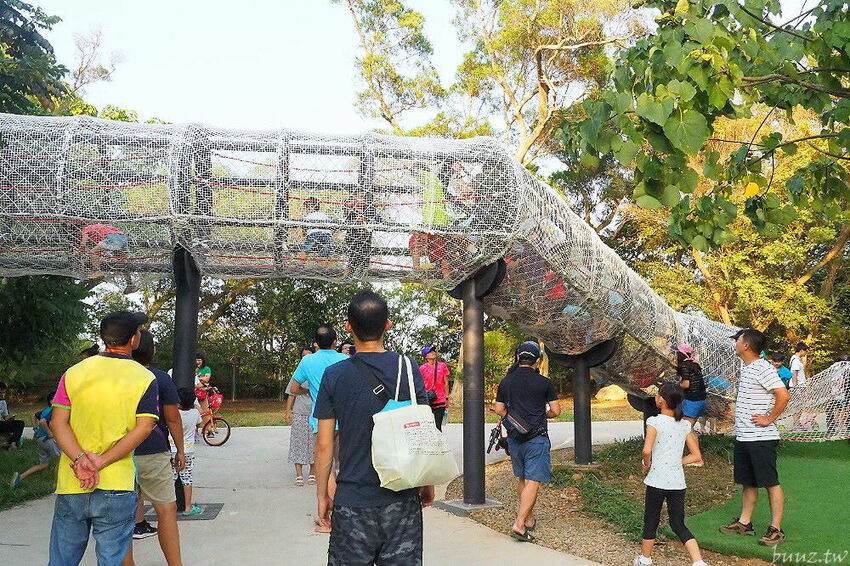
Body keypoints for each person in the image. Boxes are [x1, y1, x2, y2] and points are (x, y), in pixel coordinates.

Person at [313, 290, 433, 565]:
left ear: (348, 327)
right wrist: (427, 482)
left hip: (353, 500)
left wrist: (322, 495)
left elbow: (324, 444)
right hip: (402, 500)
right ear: (387, 325)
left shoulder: (334, 375)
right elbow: (425, 430)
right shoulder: (408, 366)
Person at [48, 311, 159, 566]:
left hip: (72, 481)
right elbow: (144, 428)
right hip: (116, 484)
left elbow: (57, 423)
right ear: (133, 339)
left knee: (61, 560)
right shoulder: (144, 378)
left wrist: (80, 459)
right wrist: (100, 462)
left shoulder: (74, 373)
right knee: (111, 560)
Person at [720, 328, 791, 547]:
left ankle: (776, 529)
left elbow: (783, 394)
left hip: (761, 437)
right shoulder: (748, 367)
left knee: (770, 483)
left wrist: (769, 418)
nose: (735, 344)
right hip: (745, 436)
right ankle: (744, 523)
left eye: (737, 340)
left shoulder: (762, 367)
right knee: (748, 482)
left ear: (746, 345)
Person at [123, 329, 185, 566]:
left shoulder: (116, 378)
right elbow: (172, 418)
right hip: (153, 450)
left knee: (123, 516)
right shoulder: (160, 378)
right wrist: (180, 449)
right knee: (166, 510)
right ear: (151, 350)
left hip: (118, 454)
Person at [493, 341, 560, 542]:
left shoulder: (506, 382)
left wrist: (513, 420)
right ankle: (519, 524)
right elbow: (556, 411)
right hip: (536, 438)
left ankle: (528, 518)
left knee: (522, 478)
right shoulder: (545, 383)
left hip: (515, 438)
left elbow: (499, 410)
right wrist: (542, 415)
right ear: (537, 361)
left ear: (518, 358)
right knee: (533, 480)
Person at [635, 383, 708, 566]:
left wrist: (647, 464)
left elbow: (646, 450)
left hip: (657, 480)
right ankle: (698, 562)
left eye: (658, 395)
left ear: (662, 400)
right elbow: (696, 456)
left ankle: (645, 559)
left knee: (651, 519)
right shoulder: (684, 425)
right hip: (677, 482)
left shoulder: (654, 422)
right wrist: (677, 462)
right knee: (678, 524)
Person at [288, 324, 348, 532]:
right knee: (342, 465)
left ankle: (328, 514)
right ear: (335, 342)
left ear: (315, 343)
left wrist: (312, 392)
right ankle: (345, 510)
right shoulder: (345, 359)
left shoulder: (308, 360)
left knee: (327, 466)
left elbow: (294, 388)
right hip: (346, 420)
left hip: (320, 420)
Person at [10, 393, 61, 487]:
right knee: (61, 461)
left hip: (41, 440)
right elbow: (42, 421)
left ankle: (20, 477)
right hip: (48, 440)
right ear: (51, 401)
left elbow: (35, 416)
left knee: (43, 464)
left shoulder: (45, 410)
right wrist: (49, 433)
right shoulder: (54, 410)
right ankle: (57, 483)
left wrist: (36, 429)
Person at [286, 346, 316, 486]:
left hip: (315, 413)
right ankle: (298, 474)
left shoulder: (317, 372)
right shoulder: (298, 374)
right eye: (303, 356)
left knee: (314, 444)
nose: (306, 358)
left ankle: (312, 473)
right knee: (298, 442)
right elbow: (292, 393)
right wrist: (288, 411)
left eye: (309, 355)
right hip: (299, 412)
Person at [172, 390, 203, 517]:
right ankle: (188, 507)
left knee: (170, 479)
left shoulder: (174, 413)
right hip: (188, 451)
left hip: (172, 449)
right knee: (187, 479)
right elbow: (200, 422)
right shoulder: (195, 413)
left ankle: (170, 507)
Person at [79, 223, 136, 293]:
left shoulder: (86, 229)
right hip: (123, 238)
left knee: (92, 252)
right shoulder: (98, 227)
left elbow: (83, 244)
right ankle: (130, 284)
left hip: (112, 237)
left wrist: (80, 251)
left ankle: (99, 272)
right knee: (122, 264)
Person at [342, 188, 381, 279]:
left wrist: (375, 219)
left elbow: (376, 218)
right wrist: (359, 218)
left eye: (364, 197)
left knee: (364, 256)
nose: (362, 199)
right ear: (354, 198)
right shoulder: (350, 209)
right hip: (352, 237)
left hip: (365, 238)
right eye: (360, 197)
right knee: (354, 257)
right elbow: (348, 217)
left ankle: (359, 273)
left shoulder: (369, 210)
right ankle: (347, 276)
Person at [418, 345, 450, 431]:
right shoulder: (422, 368)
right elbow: (419, 384)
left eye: (433, 351)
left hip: (440, 399)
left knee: (438, 426)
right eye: (430, 352)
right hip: (428, 398)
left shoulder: (442, 365)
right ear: (426, 356)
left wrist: (447, 397)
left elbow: (446, 383)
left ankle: (438, 444)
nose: (433, 352)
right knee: (427, 426)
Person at [675, 344, 707, 425]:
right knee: (689, 428)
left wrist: (676, 385)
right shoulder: (694, 364)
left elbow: (686, 384)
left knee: (687, 429)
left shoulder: (684, 366)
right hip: (701, 400)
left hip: (692, 401)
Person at [0, 381, 26, 450]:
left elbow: (5, 417)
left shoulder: (2, 402)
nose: (2, 394)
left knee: (20, 423)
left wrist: (10, 418)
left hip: (1, 423)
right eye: (0, 393)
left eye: (3, 393)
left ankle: (12, 443)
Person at [195, 354, 213, 431]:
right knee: (195, 411)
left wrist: (197, 378)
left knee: (205, 411)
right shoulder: (193, 368)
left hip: (202, 393)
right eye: (196, 360)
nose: (198, 362)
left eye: (199, 360)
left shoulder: (206, 368)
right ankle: (195, 429)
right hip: (193, 392)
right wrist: (201, 379)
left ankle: (208, 430)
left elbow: (207, 379)